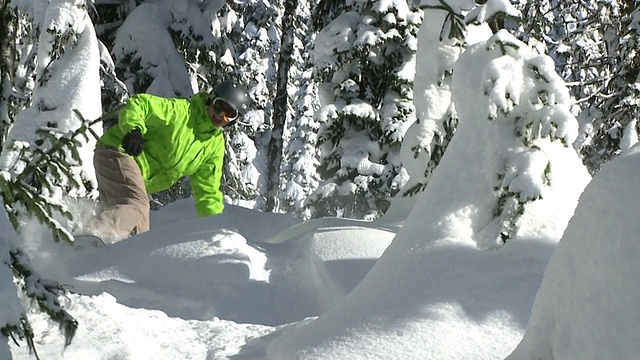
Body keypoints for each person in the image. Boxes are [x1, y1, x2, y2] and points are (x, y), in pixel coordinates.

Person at [84, 80, 249, 244]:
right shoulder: (182, 112)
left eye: (229, 114)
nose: (221, 116)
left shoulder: (214, 147)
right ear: (210, 99)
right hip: (117, 152)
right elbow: (141, 104)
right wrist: (134, 129)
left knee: (140, 237)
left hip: (136, 174)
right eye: (220, 106)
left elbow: (208, 192)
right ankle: (92, 237)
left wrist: (215, 229)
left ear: (233, 121)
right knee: (138, 204)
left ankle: (101, 261)